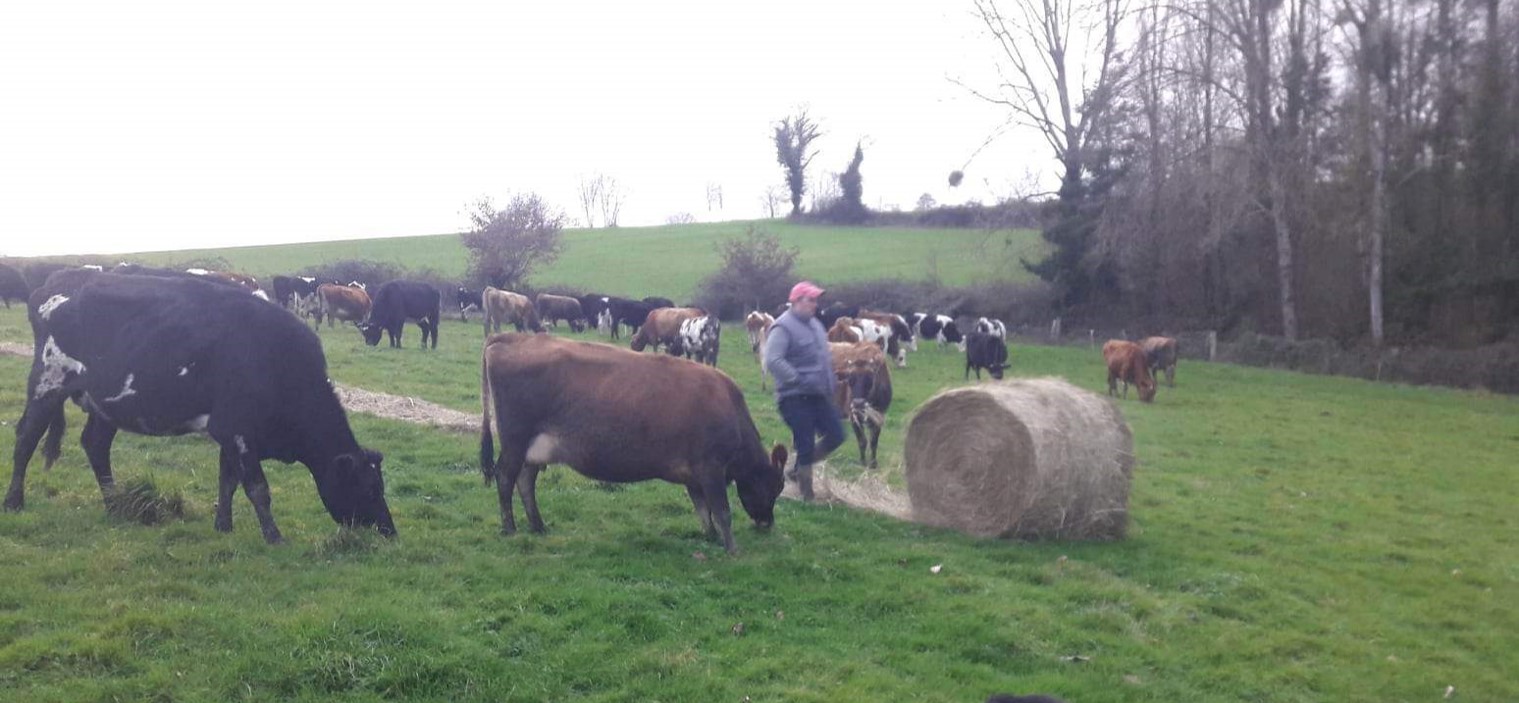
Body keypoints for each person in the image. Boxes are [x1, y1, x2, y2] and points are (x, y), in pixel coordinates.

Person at [763, 281, 846, 501]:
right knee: (806, 442)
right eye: (810, 300)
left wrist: (830, 384)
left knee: (837, 435)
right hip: (794, 397)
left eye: (816, 300)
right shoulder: (782, 327)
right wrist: (796, 379)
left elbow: (823, 359)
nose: (815, 304)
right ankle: (807, 494)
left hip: (818, 395)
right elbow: (773, 360)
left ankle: (794, 470)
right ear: (796, 301)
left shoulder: (816, 326)